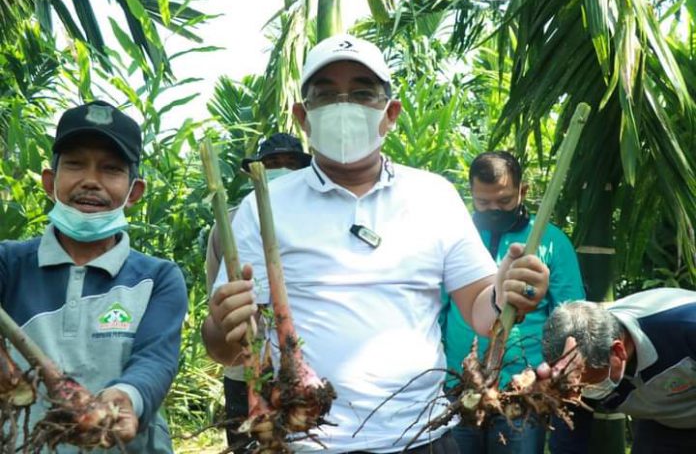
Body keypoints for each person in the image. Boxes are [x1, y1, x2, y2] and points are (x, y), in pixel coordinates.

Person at [202, 34, 550, 453]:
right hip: (304, 440)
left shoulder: (432, 195)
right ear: (302, 116)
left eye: (363, 94)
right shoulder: (265, 206)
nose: (344, 106)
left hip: (423, 438)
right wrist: (223, 326)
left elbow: (480, 306)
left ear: (390, 114)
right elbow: (228, 348)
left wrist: (505, 292)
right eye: (326, 96)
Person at [0, 100, 188, 453]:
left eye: (111, 169)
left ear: (134, 193)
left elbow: (155, 359)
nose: (91, 181)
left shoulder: (158, 278)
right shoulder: (9, 263)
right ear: (50, 181)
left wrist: (125, 398)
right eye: (75, 165)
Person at [440, 151, 586, 453]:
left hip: (522, 389)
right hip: (458, 385)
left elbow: (571, 314)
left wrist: (557, 373)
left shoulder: (551, 241)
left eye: (504, 201)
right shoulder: (457, 237)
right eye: (483, 203)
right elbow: (438, 308)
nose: (493, 209)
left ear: (523, 191)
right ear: (472, 194)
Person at [202, 132, 311, 447]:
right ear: (255, 171)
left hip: (299, 367)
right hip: (244, 369)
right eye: (272, 163)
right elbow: (218, 296)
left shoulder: (315, 219)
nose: (280, 170)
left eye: (290, 164)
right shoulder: (230, 221)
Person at [541, 288, 696, 454]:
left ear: (618, 351)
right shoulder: (573, 371)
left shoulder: (686, 327)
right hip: (662, 422)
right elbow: (568, 442)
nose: (582, 392)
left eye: (589, 384)